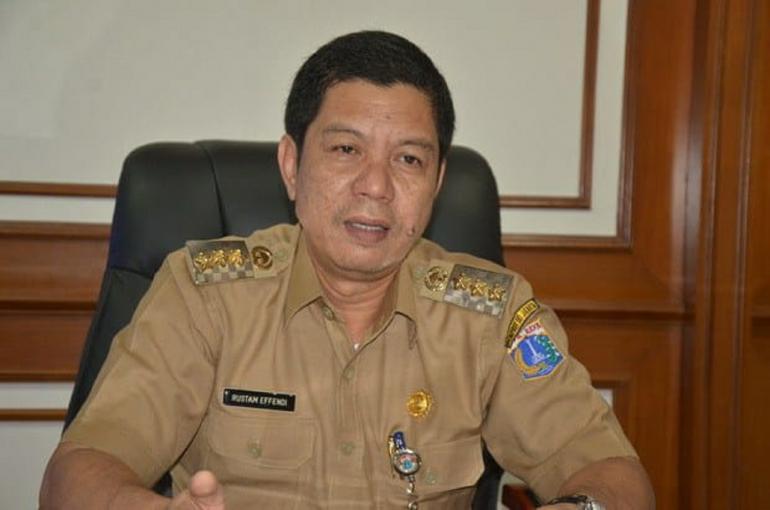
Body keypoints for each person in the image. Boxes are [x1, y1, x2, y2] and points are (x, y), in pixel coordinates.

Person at [39, 30, 654, 509]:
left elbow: (615, 476)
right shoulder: (204, 296)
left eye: (408, 159)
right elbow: (78, 473)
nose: (376, 186)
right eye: (345, 149)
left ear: (437, 182)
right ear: (291, 165)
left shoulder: (489, 316)